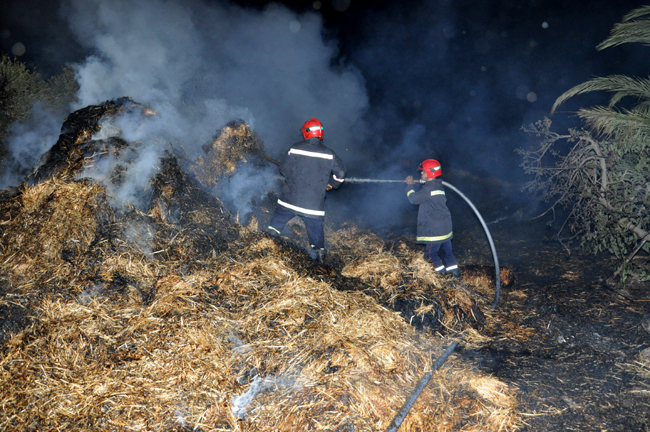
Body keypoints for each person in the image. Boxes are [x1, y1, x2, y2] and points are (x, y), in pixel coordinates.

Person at [267, 118, 346, 261]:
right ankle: (321, 261)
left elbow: (283, 168)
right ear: (320, 134)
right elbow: (340, 174)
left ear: (305, 133)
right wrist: (331, 184)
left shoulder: (294, 148)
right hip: (313, 207)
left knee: (273, 228)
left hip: (289, 201)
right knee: (317, 240)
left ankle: (266, 249)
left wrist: (294, 179)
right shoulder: (329, 153)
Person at [405, 159, 460, 278]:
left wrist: (410, 185)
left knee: (430, 255)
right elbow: (428, 185)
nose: (421, 173)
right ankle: (455, 274)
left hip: (435, 230)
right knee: (448, 253)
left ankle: (440, 275)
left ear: (429, 173)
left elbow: (413, 199)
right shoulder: (438, 185)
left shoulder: (428, 190)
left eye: (422, 172)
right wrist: (417, 181)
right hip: (445, 227)